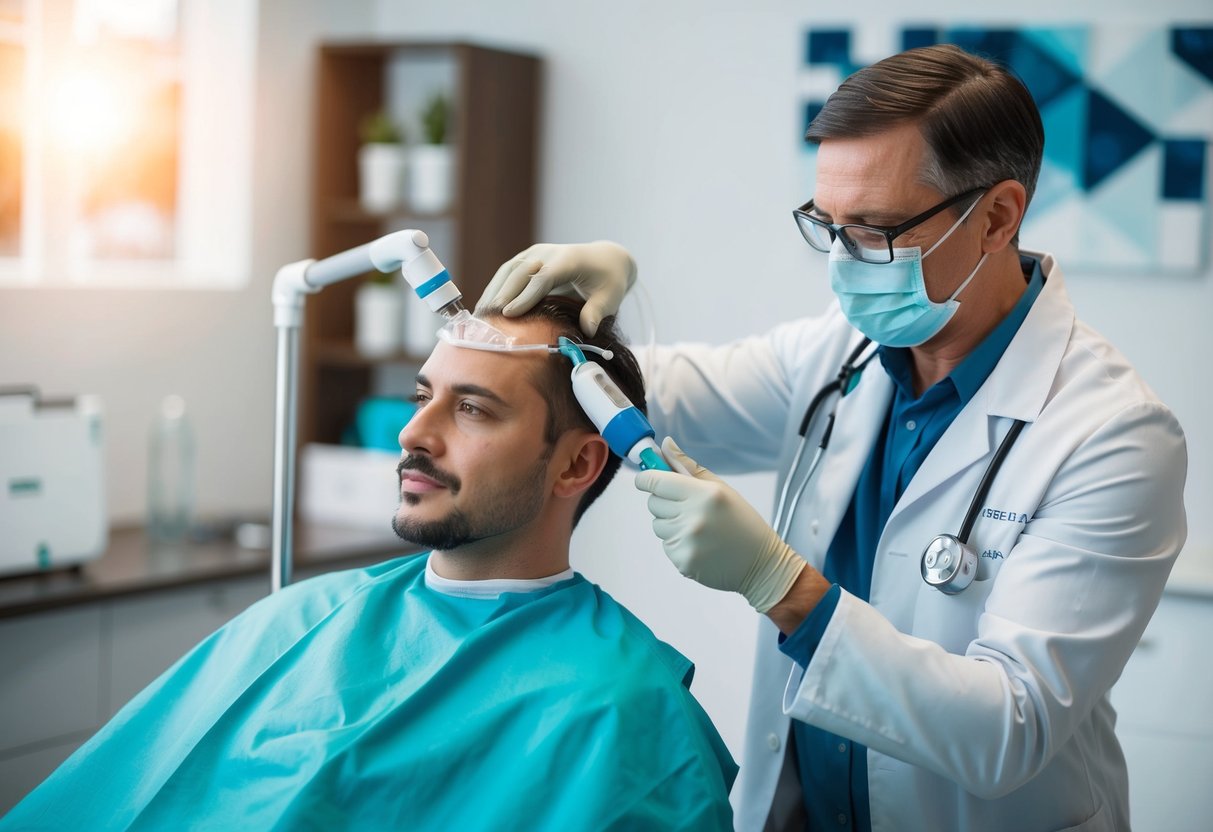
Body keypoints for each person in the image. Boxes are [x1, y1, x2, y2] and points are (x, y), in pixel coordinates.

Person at [478, 44, 1188, 832]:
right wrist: (580, 329)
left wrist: (781, 588)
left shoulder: (1111, 434)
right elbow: (662, 392)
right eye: (829, 226)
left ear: (996, 216)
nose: (844, 265)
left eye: (876, 231)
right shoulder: (839, 356)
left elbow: (1008, 729)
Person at [1, 297, 738, 831]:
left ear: (576, 464)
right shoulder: (300, 619)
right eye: (423, 397)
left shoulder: (624, 712)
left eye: (473, 409)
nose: (415, 432)